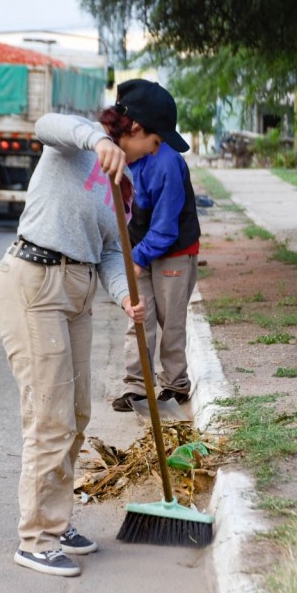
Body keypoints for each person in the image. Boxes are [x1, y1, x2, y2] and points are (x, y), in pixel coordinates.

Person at [0, 79, 188, 576]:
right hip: (36, 283)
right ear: (136, 129)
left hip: (77, 292)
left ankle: (56, 520)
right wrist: (98, 140)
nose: (157, 148)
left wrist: (127, 297)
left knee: (76, 414)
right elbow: (46, 124)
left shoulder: (119, 185)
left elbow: (108, 252)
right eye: (156, 138)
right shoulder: (75, 145)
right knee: (50, 414)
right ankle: (36, 538)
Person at [111, 81, 199, 413]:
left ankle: (175, 384)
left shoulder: (167, 163)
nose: (155, 146)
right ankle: (138, 386)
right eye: (157, 138)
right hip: (138, 249)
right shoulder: (120, 154)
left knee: (170, 320)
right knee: (139, 317)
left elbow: (165, 227)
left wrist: (137, 258)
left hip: (173, 249)